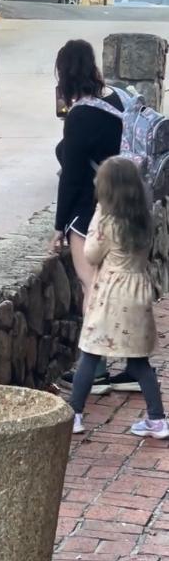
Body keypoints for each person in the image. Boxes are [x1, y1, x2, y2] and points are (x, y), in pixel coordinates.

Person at [51, 39, 138, 394]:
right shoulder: (119, 98)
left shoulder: (81, 115)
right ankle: (135, 369)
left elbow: (72, 178)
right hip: (129, 209)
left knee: (93, 287)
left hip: (92, 213)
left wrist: (59, 227)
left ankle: (96, 371)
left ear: (64, 74)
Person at [71, 157, 168, 439]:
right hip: (138, 294)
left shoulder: (108, 220)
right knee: (138, 360)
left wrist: (96, 217)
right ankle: (157, 420)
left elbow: (91, 254)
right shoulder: (144, 219)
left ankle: (74, 414)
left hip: (111, 296)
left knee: (90, 353)